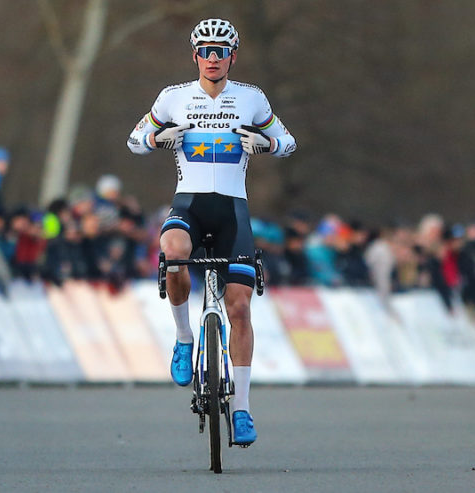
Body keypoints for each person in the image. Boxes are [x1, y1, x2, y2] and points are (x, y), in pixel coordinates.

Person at [126, 18, 295, 445]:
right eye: (205, 50)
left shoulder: (251, 98)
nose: (213, 57)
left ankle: (241, 409)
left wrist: (267, 143)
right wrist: (159, 135)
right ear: (195, 55)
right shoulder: (174, 97)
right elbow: (135, 141)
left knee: (239, 308)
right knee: (173, 251)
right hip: (190, 204)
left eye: (221, 50)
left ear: (233, 56)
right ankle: (184, 338)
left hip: (233, 212)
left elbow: (288, 140)